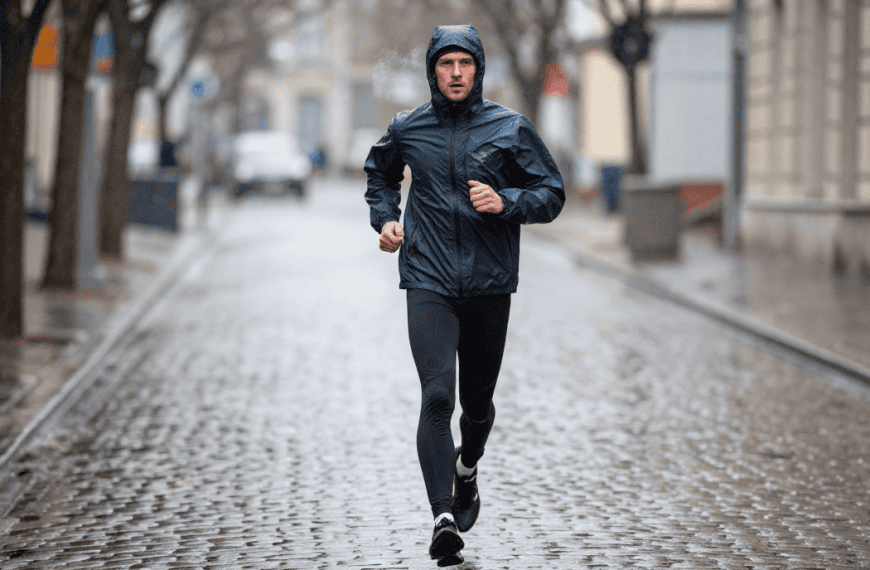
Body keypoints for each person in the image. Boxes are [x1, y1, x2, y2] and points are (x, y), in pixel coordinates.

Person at [364, 24, 565, 566]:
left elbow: (552, 193)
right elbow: (380, 175)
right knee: (437, 396)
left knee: (476, 406)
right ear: (433, 71)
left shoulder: (509, 127)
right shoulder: (408, 127)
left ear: (478, 70)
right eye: (446, 64)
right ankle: (442, 518)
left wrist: (506, 201)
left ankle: (467, 468)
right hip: (427, 279)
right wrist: (386, 219)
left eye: (465, 63)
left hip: (489, 283)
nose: (455, 73)